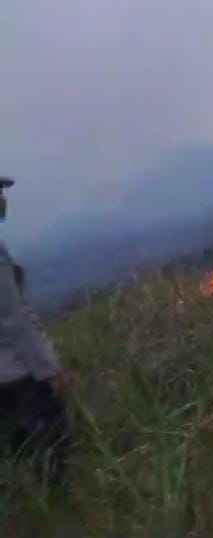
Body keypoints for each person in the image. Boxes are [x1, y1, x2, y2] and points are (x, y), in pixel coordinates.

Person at [0, 177, 70, 489]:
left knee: (18, 458)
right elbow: (15, 320)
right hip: (18, 374)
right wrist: (49, 370)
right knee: (52, 452)